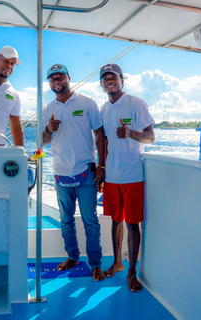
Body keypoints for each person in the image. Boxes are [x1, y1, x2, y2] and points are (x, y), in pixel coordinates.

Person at [42, 63, 106, 282]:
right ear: (49, 83)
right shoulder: (47, 109)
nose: (56, 81)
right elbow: (42, 140)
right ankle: (73, 256)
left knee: (90, 220)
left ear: (68, 78)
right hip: (61, 174)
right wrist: (48, 129)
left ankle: (95, 263)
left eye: (60, 77)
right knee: (65, 220)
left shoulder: (87, 103)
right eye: (52, 79)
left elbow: (99, 134)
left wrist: (102, 166)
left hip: (86, 173)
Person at [99, 63, 155, 292]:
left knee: (132, 224)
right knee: (115, 221)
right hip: (112, 175)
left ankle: (132, 273)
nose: (109, 80)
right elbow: (102, 141)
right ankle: (117, 263)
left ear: (122, 80)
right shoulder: (103, 109)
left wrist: (131, 133)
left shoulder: (136, 103)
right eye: (105, 78)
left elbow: (150, 137)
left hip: (133, 175)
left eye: (114, 76)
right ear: (101, 84)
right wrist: (100, 167)